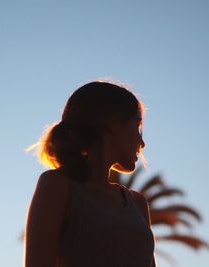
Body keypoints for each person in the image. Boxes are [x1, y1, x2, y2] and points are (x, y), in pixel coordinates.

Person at [24, 80, 157, 267]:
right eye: (138, 126)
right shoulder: (57, 185)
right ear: (113, 123)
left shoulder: (138, 204)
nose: (141, 143)